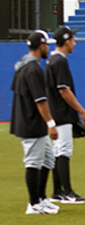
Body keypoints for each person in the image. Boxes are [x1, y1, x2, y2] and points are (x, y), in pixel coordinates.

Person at [10, 30, 60, 215]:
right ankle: (33, 204)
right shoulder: (33, 69)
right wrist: (51, 123)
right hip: (31, 123)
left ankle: (41, 198)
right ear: (41, 46)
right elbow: (40, 99)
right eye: (47, 44)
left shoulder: (24, 66)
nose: (48, 48)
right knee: (33, 162)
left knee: (48, 159)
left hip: (30, 121)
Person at [46, 26, 85, 204]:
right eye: (72, 39)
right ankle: (67, 192)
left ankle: (57, 192)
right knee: (64, 151)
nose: (75, 42)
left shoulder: (52, 60)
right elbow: (64, 91)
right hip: (62, 114)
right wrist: (82, 111)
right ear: (66, 41)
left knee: (58, 152)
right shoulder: (60, 61)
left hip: (55, 113)